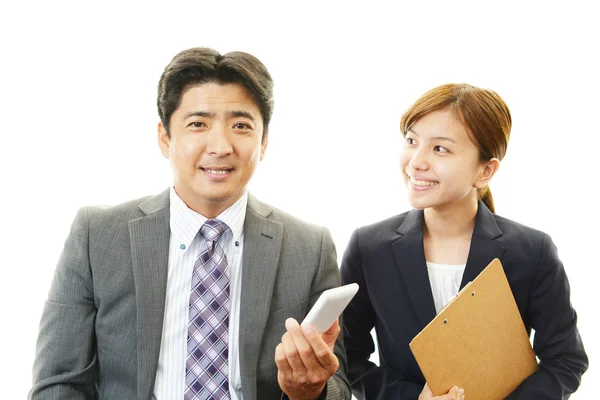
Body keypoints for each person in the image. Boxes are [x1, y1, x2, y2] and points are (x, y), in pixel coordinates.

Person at [30, 47, 351, 400]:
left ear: (263, 143)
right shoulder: (98, 235)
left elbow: (340, 386)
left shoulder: (309, 247)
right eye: (198, 124)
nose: (220, 145)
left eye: (241, 125)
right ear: (165, 138)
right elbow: (59, 383)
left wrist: (310, 391)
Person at [340, 83, 588, 399]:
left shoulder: (532, 252)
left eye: (440, 148)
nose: (416, 161)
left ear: (485, 171)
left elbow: (566, 360)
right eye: (412, 140)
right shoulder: (369, 248)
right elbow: (346, 357)